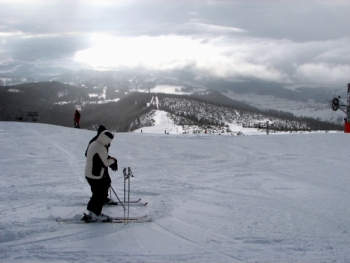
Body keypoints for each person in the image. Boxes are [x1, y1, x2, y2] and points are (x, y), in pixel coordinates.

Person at [85, 129, 116, 220]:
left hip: (89, 173)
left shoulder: (95, 143)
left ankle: (91, 213)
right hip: (94, 175)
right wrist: (112, 160)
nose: (110, 142)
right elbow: (105, 163)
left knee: (96, 194)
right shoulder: (101, 148)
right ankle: (96, 213)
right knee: (100, 194)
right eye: (109, 140)